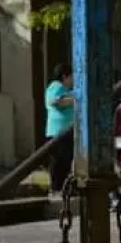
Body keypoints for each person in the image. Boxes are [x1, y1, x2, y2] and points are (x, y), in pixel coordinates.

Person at [45, 63, 75, 194]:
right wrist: (74, 99)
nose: (73, 80)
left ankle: (62, 187)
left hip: (66, 132)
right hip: (59, 132)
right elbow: (55, 101)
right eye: (71, 77)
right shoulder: (56, 86)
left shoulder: (67, 91)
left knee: (65, 161)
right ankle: (56, 188)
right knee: (59, 162)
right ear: (64, 76)